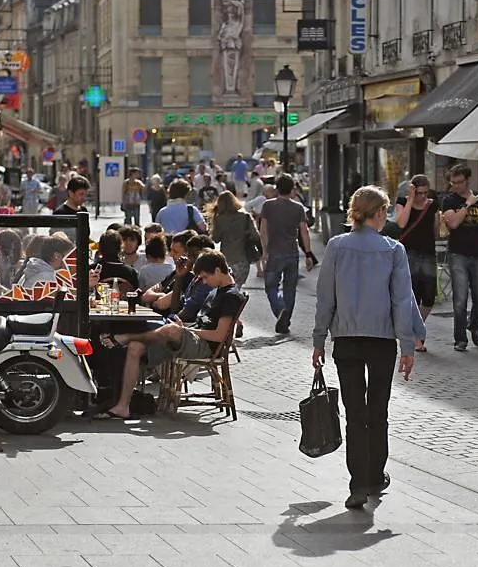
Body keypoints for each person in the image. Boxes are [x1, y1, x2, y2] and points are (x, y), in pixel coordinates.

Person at [312, 187, 423, 511]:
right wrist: (408, 345)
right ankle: (375, 474)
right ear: (379, 213)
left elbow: (325, 298)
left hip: (346, 339)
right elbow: (402, 300)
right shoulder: (392, 250)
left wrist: (319, 338)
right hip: (381, 340)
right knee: (378, 410)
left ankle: (357, 483)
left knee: (354, 413)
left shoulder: (336, 246)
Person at [94, 251, 245, 421]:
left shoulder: (231, 296)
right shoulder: (215, 291)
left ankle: (123, 337)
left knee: (170, 330)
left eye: (204, 277)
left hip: (207, 346)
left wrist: (187, 331)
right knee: (136, 347)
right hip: (193, 338)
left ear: (217, 271)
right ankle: (123, 406)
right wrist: (186, 328)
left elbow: (219, 336)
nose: (204, 282)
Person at [438, 165, 478, 352]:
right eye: (453, 183)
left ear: (468, 180)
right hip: (458, 254)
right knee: (460, 299)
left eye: (460, 182)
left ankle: (473, 325)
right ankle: (460, 339)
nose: (456, 186)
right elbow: (454, 223)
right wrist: (467, 204)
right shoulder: (449, 200)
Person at [259, 175, 315, 335]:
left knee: (271, 286)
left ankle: (280, 309)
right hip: (292, 253)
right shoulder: (297, 208)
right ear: (292, 190)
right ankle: (286, 319)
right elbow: (304, 231)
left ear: (277, 188)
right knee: (290, 288)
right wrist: (309, 254)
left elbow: (263, 231)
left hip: (274, 253)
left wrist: (265, 251)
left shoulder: (268, 206)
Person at [394, 174, 438, 352]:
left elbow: (435, 230)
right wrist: (410, 200)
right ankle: (416, 336)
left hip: (428, 252)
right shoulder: (402, 201)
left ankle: (416, 330)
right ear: (413, 190)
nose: (423, 196)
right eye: (419, 193)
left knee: (428, 297)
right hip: (408, 253)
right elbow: (402, 223)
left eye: (426, 193)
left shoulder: (432, 205)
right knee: (412, 295)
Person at [209, 190, 255, 288]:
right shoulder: (245, 217)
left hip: (226, 261)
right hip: (242, 259)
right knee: (237, 289)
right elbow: (254, 235)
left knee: (227, 290)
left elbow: (216, 239)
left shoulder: (220, 219)